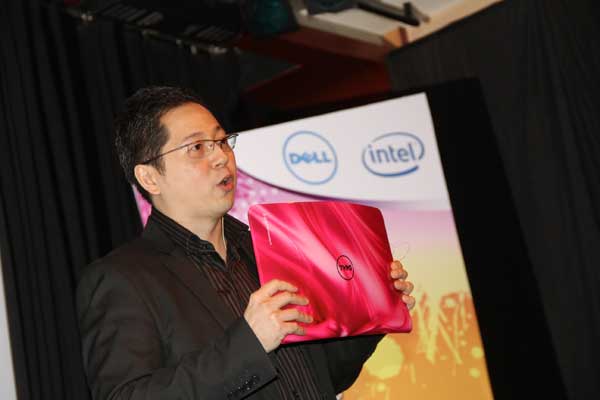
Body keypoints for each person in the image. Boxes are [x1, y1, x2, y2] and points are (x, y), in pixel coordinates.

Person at [76, 86, 415, 400]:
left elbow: (323, 376)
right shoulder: (122, 279)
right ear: (150, 177)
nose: (221, 157)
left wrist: (374, 311)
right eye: (197, 148)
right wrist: (249, 344)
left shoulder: (270, 249)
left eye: (222, 141)